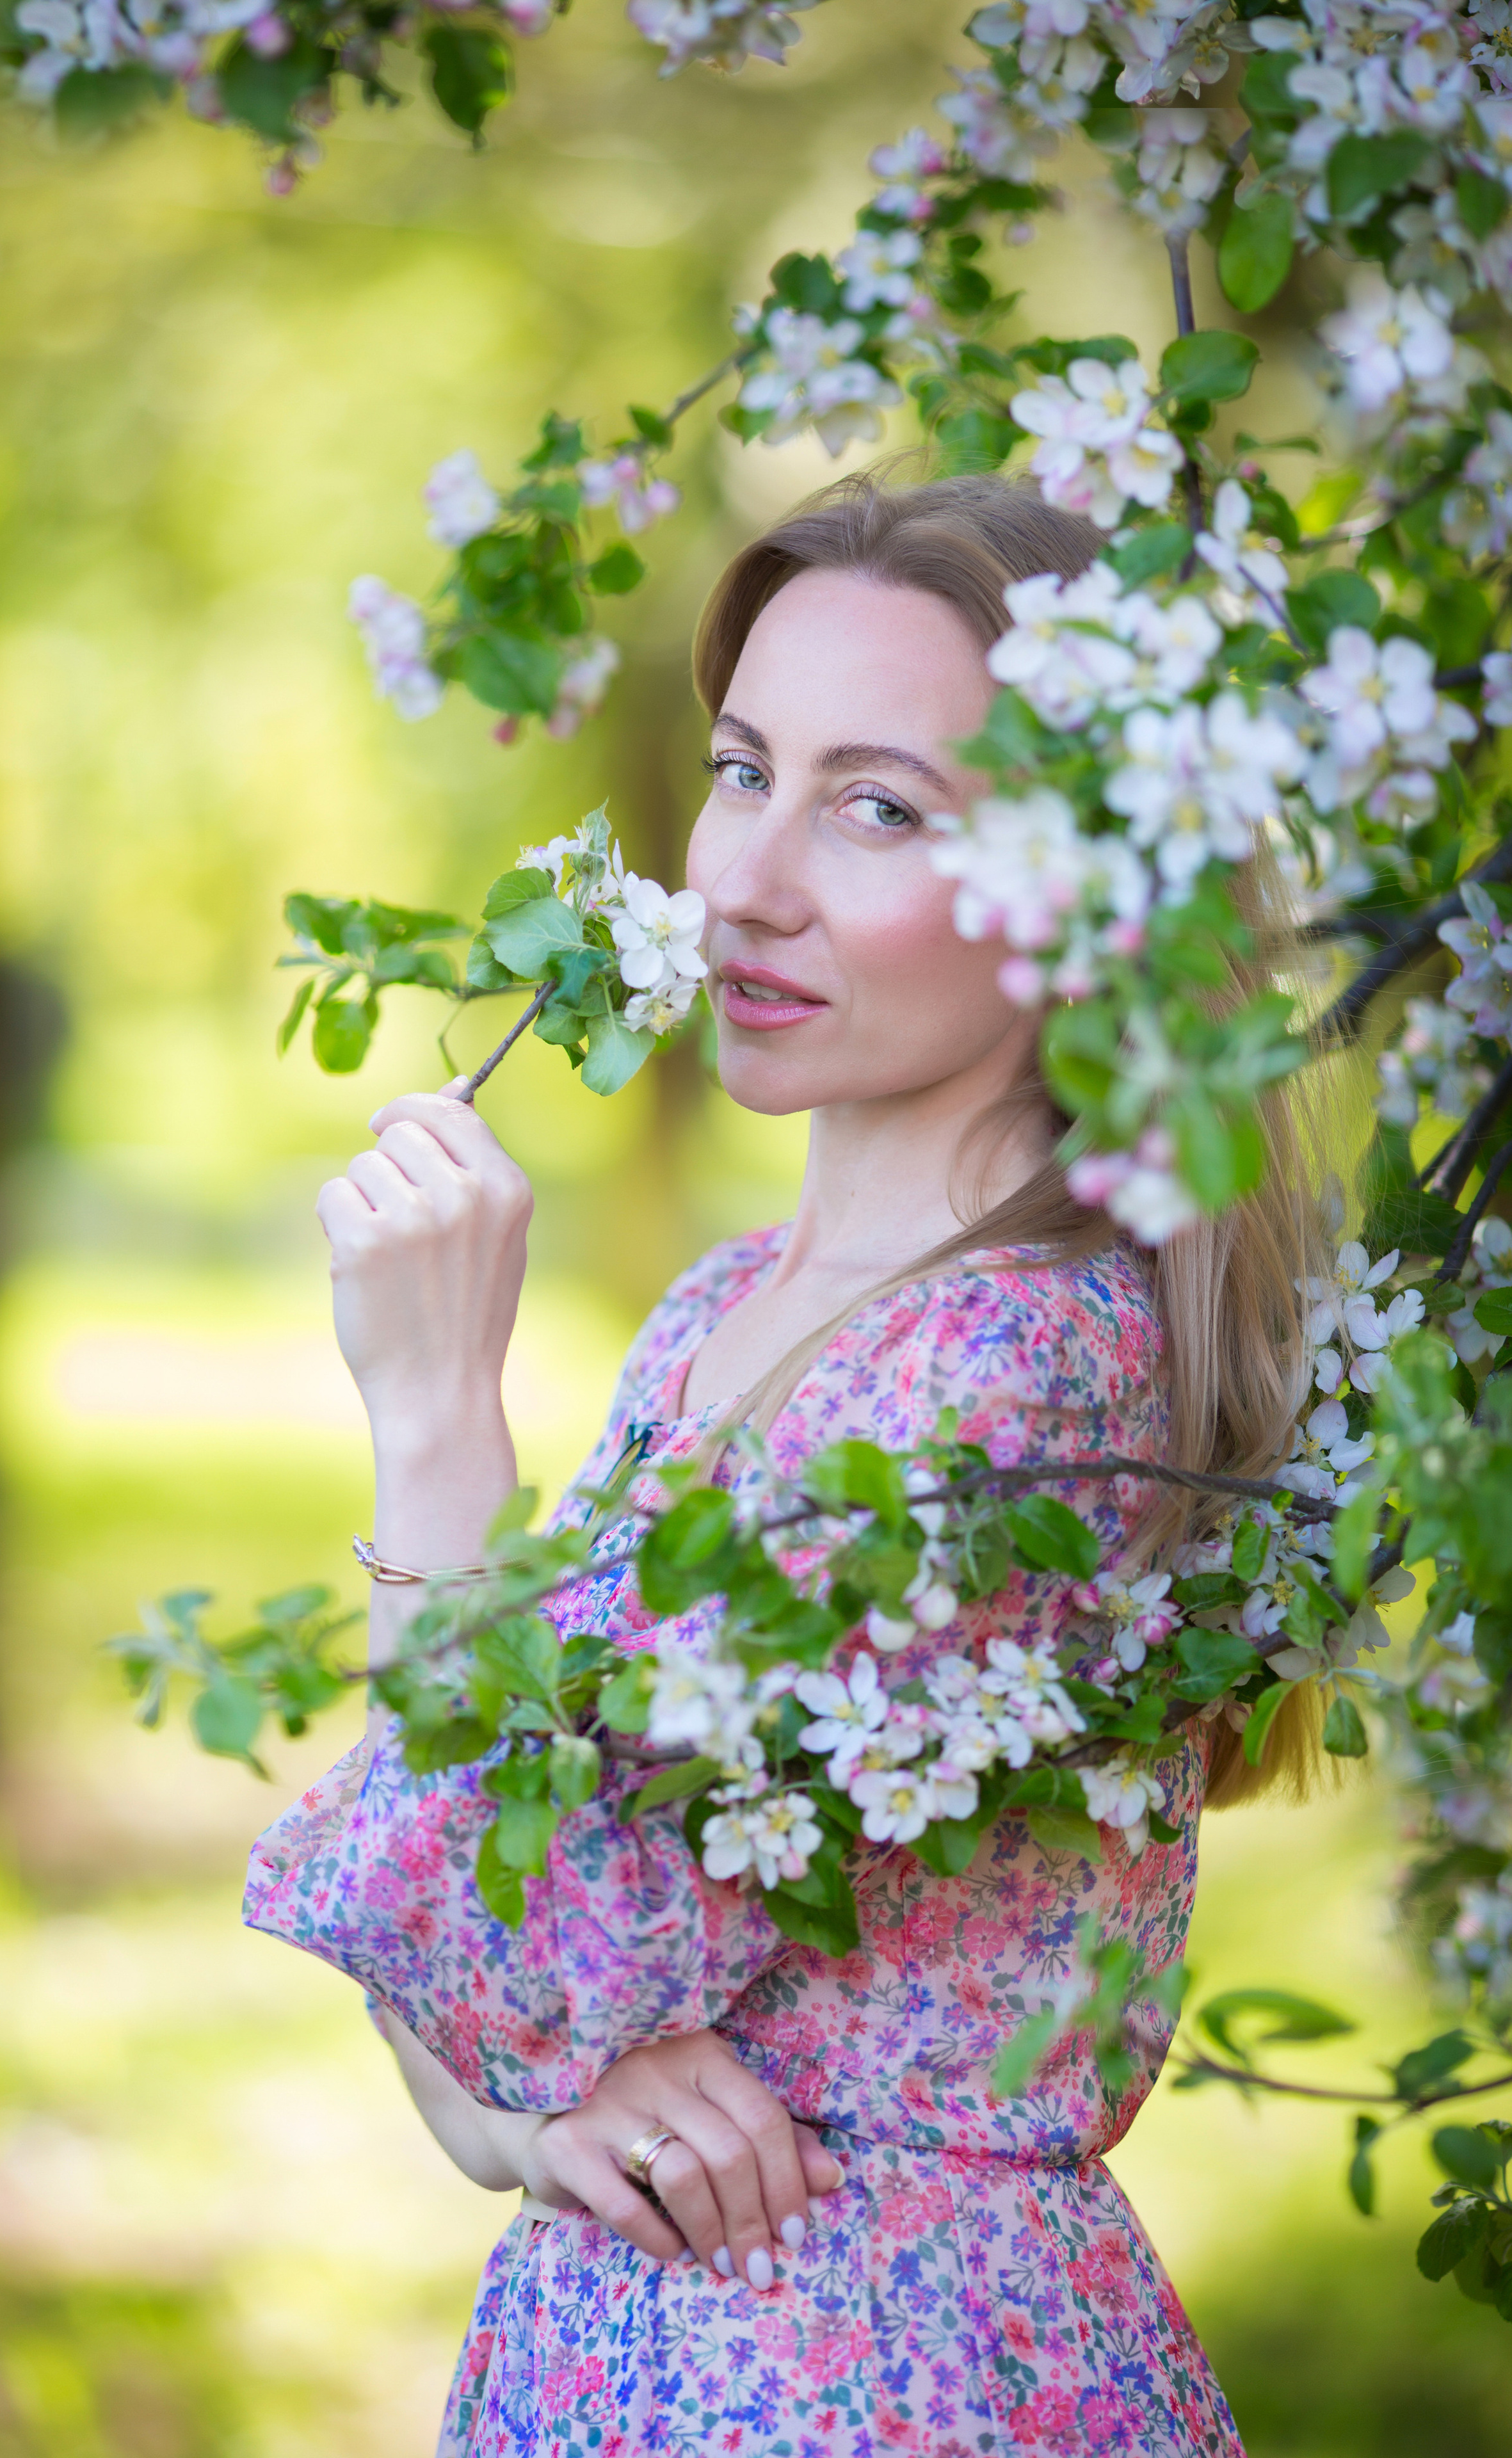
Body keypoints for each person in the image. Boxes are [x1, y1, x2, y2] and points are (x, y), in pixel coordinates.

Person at [244, 472, 1325, 2457]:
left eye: (880, 805)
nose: (743, 880)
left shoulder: (1014, 1385)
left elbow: (501, 1941)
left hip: (869, 2384)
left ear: (1090, 886)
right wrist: (525, 2113)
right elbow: (482, 1994)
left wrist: (433, 1422)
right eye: (744, 768)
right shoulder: (736, 1306)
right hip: (631, 2366)